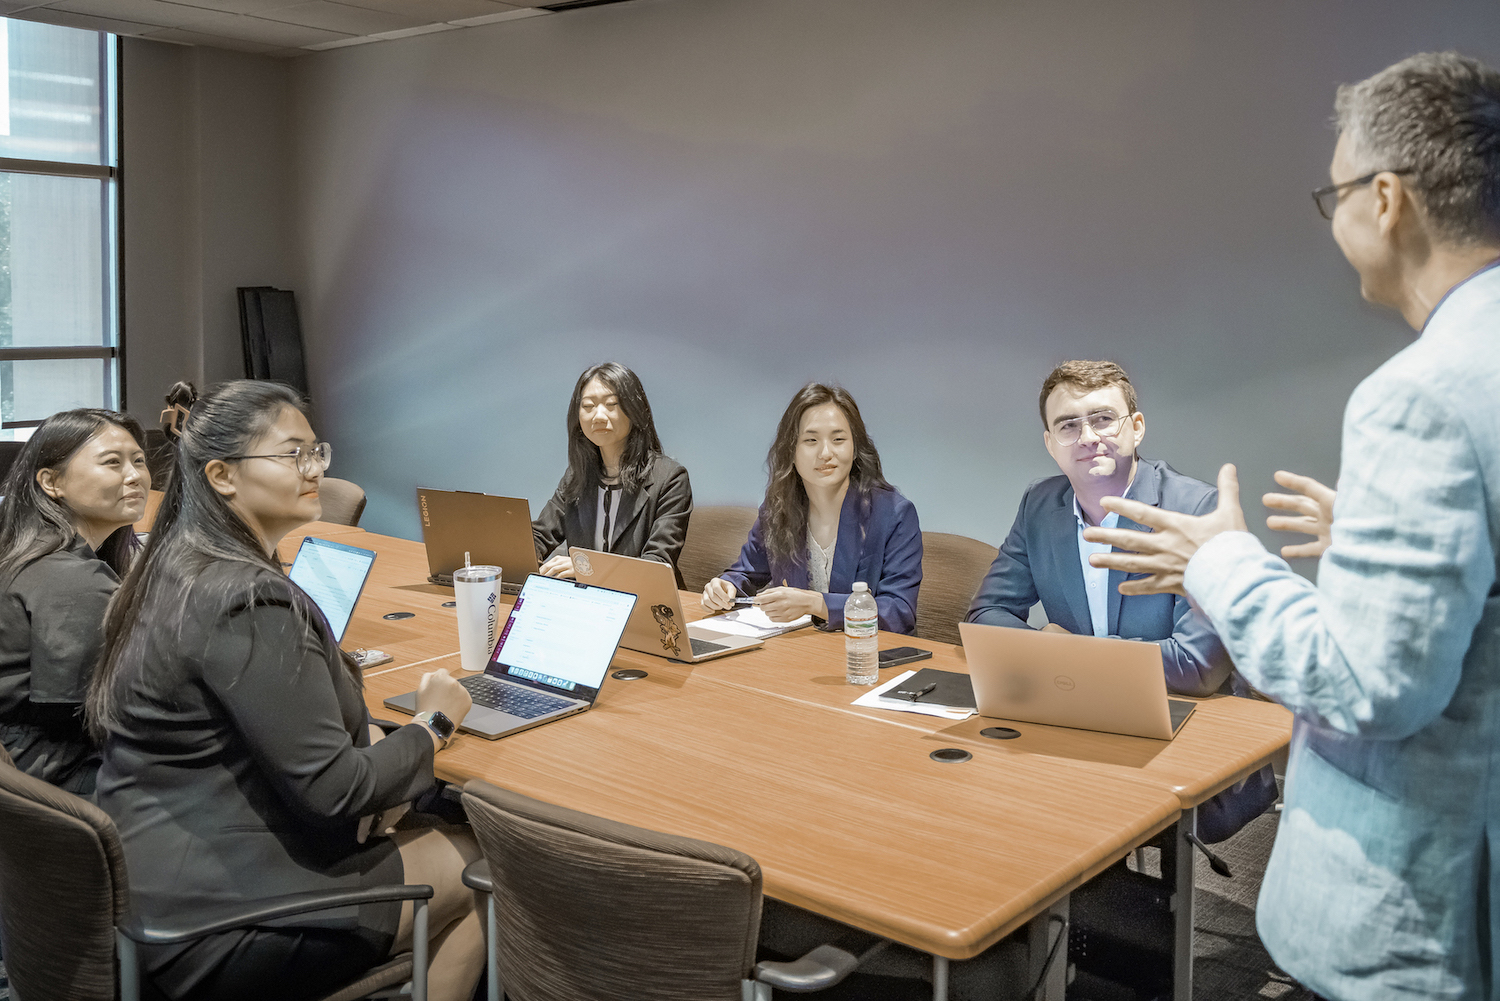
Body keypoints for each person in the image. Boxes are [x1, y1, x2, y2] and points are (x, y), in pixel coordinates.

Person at [1084, 52, 1500, 999]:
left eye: (1335, 193)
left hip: (1424, 923)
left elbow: (1367, 684)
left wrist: (1219, 558)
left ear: (1386, 199)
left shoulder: (1420, 398)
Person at [86, 381, 484, 1001]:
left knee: (424, 814)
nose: (316, 470)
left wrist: (378, 741)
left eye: (316, 452)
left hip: (152, 889)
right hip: (219, 925)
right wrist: (430, 726)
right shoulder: (249, 597)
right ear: (221, 475)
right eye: (294, 454)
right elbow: (337, 791)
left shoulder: (173, 566)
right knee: (494, 861)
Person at [967, 360, 1275, 841]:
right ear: (1051, 444)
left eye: (1103, 419)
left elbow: (1198, 667)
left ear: (1136, 428)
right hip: (1077, 720)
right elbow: (985, 618)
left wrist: (1062, 652)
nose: (1088, 437)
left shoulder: (1195, 509)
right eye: (1068, 425)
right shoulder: (1039, 506)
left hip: (1187, 732)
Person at [0, 409, 150, 794]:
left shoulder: (30, 549)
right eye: (112, 463)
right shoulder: (70, 578)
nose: (135, 476)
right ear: (51, 482)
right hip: (50, 772)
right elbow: (87, 714)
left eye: (139, 461)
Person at [702, 383, 922, 633]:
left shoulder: (894, 514)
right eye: (811, 440)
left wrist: (818, 604)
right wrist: (724, 586)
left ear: (855, 448)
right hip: (802, 655)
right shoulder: (778, 508)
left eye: (838, 440)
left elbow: (899, 612)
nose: (826, 453)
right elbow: (746, 572)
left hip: (869, 658)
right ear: (791, 451)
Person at [532, 362, 693, 585]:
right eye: (588, 406)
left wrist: (588, 568)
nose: (598, 416)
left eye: (612, 404)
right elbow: (539, 536)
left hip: (644, 605)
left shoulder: (671, 478)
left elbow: (657, 564)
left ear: (635, 412)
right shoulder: (577, 475)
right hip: (586, 603)